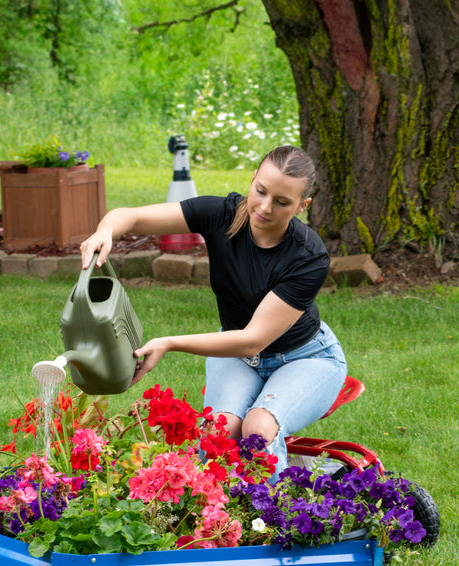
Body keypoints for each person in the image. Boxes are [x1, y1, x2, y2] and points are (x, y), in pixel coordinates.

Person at [79, 145, 347, 478]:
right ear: (252, 179)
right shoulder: (221, 214)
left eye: (282, 202)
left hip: (305, 358)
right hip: (237, 357)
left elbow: (252, 340)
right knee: (217, 436)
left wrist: (169, 342)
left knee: (258, 430)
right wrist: (105, 231)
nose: (264, 207)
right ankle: (218, 517)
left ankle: (274, 519)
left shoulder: (308, 256)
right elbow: (130, 216)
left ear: (302, 206)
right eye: (260, 191)